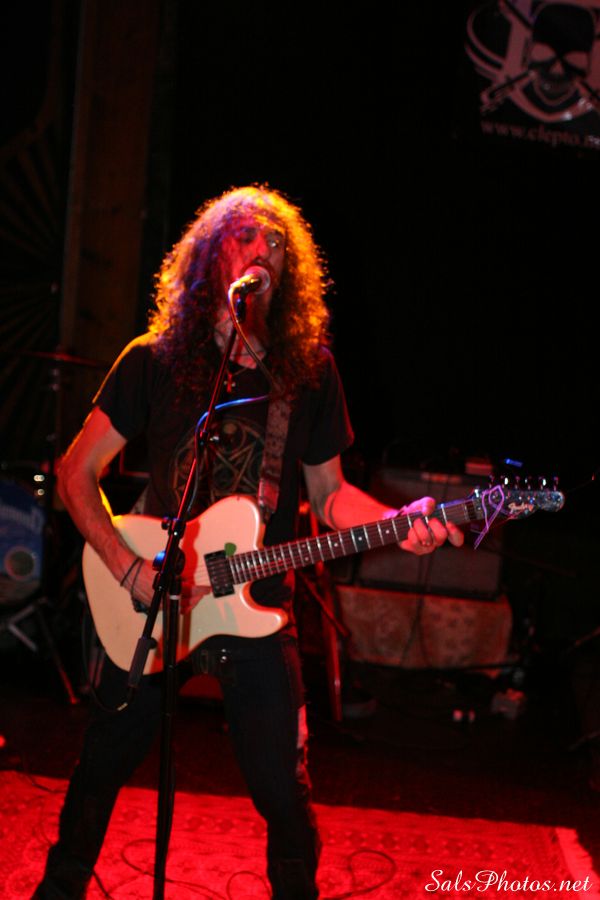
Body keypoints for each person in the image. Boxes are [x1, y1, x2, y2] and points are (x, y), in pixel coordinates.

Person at [33, 184, 463, 899]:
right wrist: (126, 565)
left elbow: (330, 497)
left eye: (276, 243)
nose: (262, 249)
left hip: (257, 606)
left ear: (288, 271)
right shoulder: (155, 359)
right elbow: (76, 472)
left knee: (282, 790)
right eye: (245, 236)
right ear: (211, 255)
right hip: (154, 599)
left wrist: (401, 519)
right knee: (101, 766)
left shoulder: (309, 371)